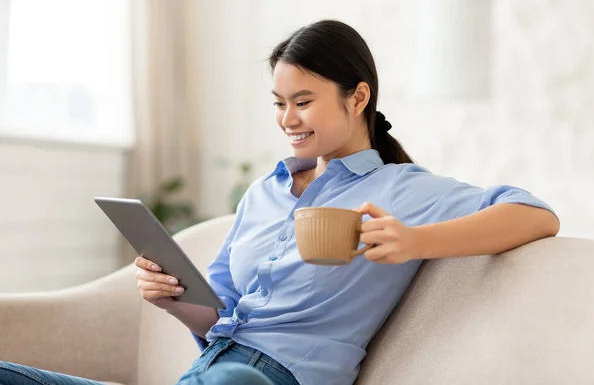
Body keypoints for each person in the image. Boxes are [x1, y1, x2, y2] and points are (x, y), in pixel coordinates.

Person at [0, 19, 559, 385]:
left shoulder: (401, 189)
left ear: (357, 97)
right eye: (278, 103)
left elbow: (536, 213)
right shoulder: (263, 192)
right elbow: (216, 313)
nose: (287, 120)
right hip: (210, 371)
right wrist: (171, 294)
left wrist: (414, 240)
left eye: (304, 101)